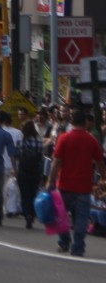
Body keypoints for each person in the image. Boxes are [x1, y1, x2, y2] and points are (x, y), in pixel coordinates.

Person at [47, 108, 106, 257]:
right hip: (84, 187)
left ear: (71, 122)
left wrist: (50, 180)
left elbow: (56, 162)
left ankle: (64, 241)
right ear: (85, 123)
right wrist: (104, 178)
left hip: (64, 185)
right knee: (81, 219)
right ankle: (78, 247)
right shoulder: (91, 140)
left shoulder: (64, 138)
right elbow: (100, 163)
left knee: (60, 215)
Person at [16, 119, 44, 229]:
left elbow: (18, 156)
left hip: (23, 171)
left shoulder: (20, 142)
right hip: (35, 171)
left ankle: (26, 213)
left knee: (24, 194)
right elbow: (41, 159)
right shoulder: (39, 142)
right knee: (33, 193)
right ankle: (32, 214)